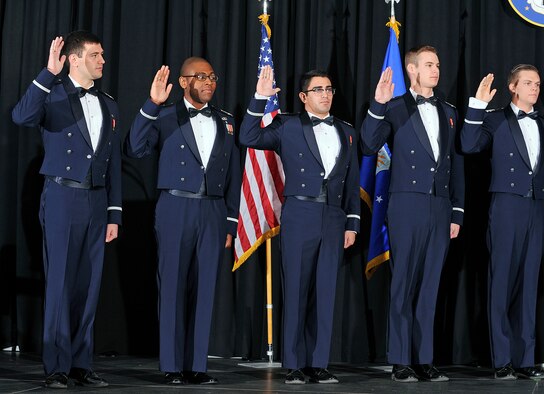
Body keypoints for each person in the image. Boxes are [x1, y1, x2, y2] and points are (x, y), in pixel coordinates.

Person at [12, 31, 121, 389]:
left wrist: (114, 213)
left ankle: (80, 363)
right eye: (95, 55)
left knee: (88, 287)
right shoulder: (53, 94)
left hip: (96, 200)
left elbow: (113, 163)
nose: (102, 61)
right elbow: (21, 116)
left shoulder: (108, 102)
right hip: (62, 196)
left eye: (102, 55)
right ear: (74, 59)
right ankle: (56, 366)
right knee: (59, 283)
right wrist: (47, 73)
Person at [240, 66, 360, 384]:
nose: (325, 94)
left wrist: (352, 221)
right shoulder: (288, 125)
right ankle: (293, 364)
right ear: (304, 96)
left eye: (329, 89)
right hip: (300, 214)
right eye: (318, 89)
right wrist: (259, 98)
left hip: (334, 217)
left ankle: (318, 363)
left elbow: (351, 181)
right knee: (295, 289)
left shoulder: (347, 130)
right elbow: (248, 136)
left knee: (325, 293)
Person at [126, 58, 240, 385]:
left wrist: (230, 221)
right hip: (175, 205)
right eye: (201, 77)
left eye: (212, 77)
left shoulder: (226, 121)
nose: (209, 82)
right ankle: (172, 365)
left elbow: (234, 173)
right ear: (183, 81)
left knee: (205, 289)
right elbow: (133, 147)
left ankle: (197, 365)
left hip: (214, 211)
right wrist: (151, 104)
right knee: (173, 285)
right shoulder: (163, 117)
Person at [360, 46, 465, 383]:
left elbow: (456, 163)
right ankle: (401, 360)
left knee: (431, 284)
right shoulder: (394, 108)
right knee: (404, 283)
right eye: (429, 65)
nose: (436, 70)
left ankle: (425, 359)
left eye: (438, 64)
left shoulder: (449, 111)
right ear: (412, 69)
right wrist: (377, 105)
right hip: (405, 204)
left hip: (440, 206)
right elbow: (367, 144)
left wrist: (457, 212)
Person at [461, 65, 544, 380]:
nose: (535, 88)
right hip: (505, 206)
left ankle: (525, 359)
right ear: (513, 87)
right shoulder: (494, 119)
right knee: (501, 283)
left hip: (536, 209)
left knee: (529, 286)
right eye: (528, 83)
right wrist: (477, 106)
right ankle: (502, 360)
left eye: (538, 84)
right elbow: (468, 144)